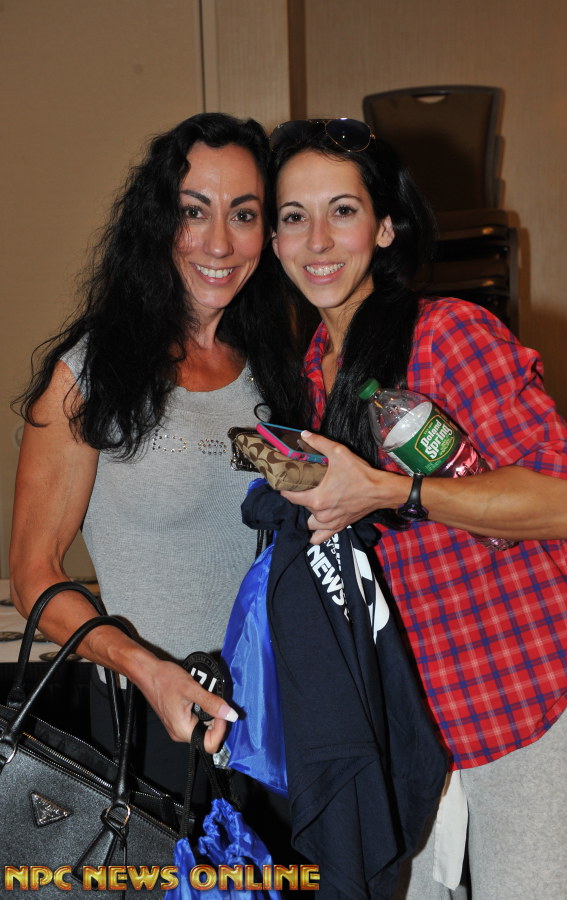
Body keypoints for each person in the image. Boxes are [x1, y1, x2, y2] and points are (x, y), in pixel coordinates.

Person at [265, 118, 567, 899]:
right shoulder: (304, 378)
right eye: (293, 216)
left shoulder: (447, 335)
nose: (317, 239)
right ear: (274, 241)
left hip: (519, 699)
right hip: (403, 729)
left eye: (342, 210)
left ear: (384, 228)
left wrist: (392, 490)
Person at [8, 112, 302, 822]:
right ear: (156, 222)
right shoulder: (91, 375)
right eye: (193, 212)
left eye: (243, 215)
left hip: (275, 719)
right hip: (152, 726)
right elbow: (33, 575)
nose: (219, 243)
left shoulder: (273, 368)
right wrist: (146, 668)